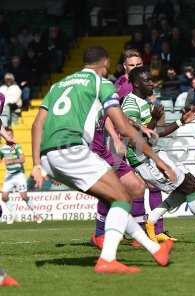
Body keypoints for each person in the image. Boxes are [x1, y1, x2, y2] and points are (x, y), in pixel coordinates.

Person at [31, 46, 175, 274]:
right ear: (105, 63)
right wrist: (158, 159)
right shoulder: (101, 84)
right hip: (73, 151)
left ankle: (155, 249)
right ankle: (107, 259)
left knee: (118, 196)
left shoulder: (58, 85)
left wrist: (37, 164)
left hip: (49, 157)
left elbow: (37, 124)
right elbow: (123, 126)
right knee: (122, 197)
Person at [124, 67, 195, 245]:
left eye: (151, 79)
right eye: (147, 81)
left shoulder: (145, 102)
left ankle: (151, 220)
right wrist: (153, 120)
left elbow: (156, 132)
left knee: (188, 186)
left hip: (153, 153)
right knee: (189, 186)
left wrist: (180, 121)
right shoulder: (130, 105)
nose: (152, 83)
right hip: (143, 159)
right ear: (136, 83)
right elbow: (134, 138)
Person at [91, 48, 173, 249]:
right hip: (118, 141)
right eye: (132, 65)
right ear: (124, 67)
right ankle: (103, 233)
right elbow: (111, 114)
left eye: (139, 64)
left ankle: (154, 230)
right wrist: (118, 139)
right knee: (118, 185)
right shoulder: (119, 87)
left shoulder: (142, 85)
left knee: (145, 185)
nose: (136, 67)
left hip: (134, 139)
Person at [0, 127, 35, 224]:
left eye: (10, 135)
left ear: (13, 136)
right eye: (7, 135)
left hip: (19, 174)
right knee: (4, 197)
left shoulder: (16, 146)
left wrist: (12, 161)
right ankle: (13, 214)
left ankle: (36, 213)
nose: (9, 137)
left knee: (24, 197)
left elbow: (23, 159)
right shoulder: (2, 149)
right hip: (9, 175)